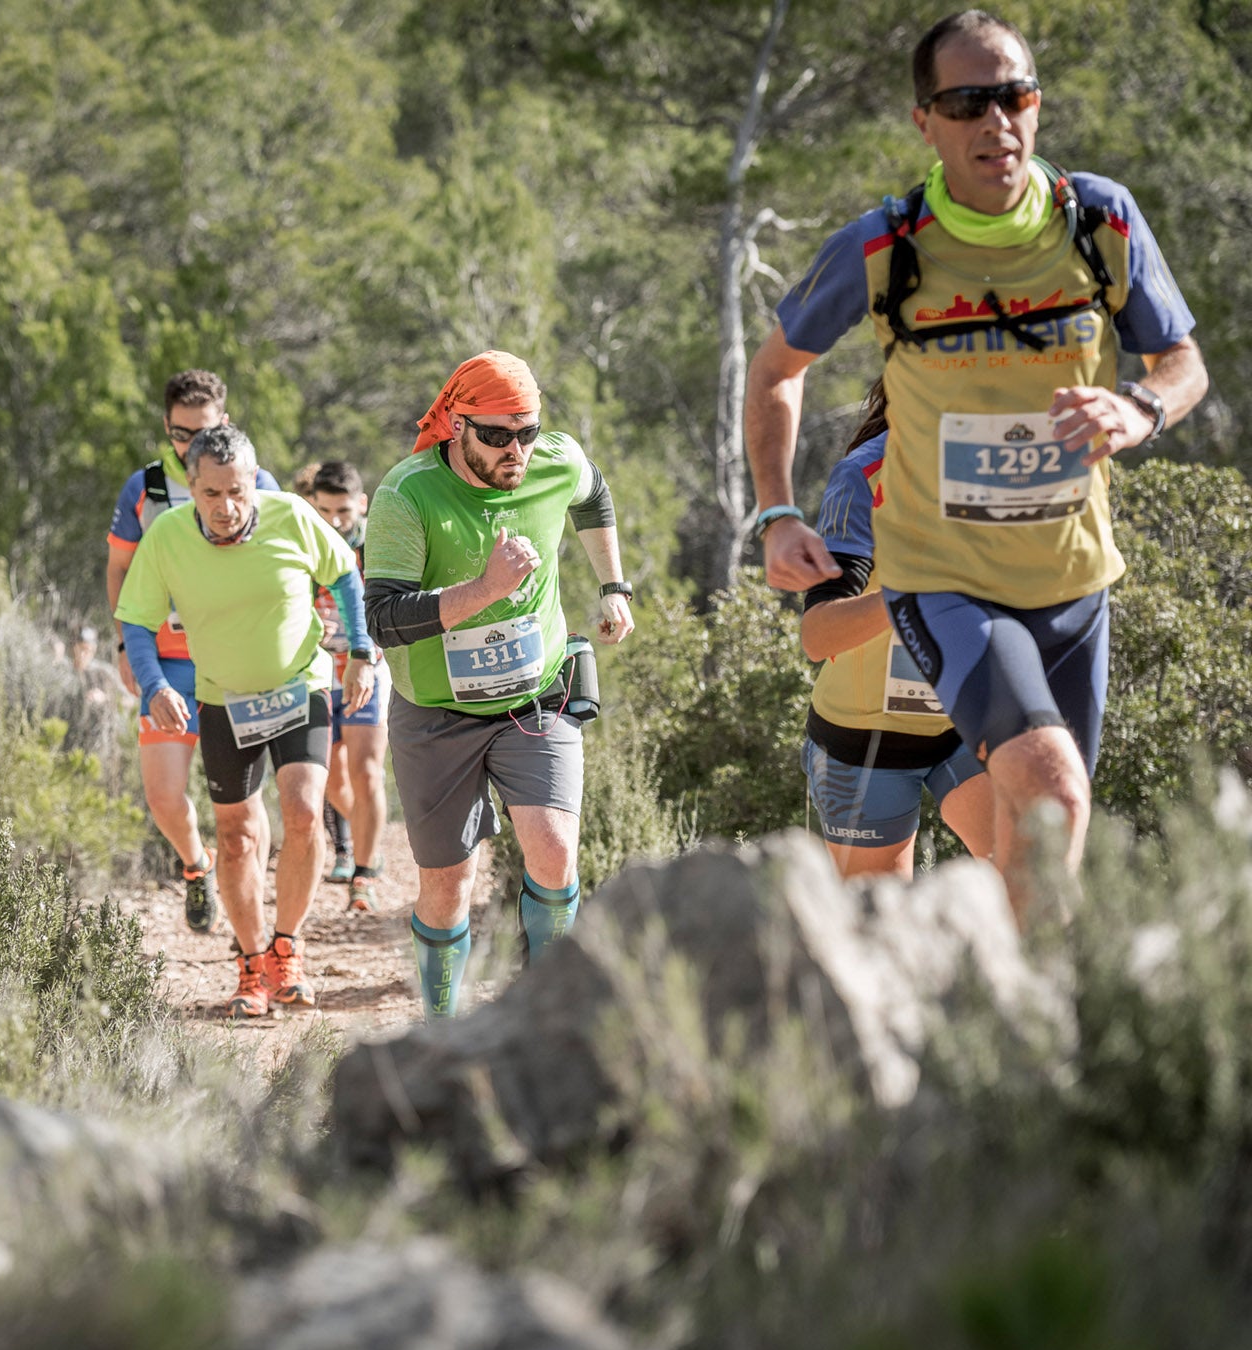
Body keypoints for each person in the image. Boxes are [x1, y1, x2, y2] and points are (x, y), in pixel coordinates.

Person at [745, 9, 1206, 914]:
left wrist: (1141, 406)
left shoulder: (1100, 220)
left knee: (1051, 839)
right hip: (944, 579)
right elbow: (775, 371)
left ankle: (1020, 1033)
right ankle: (1035, 1042)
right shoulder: (888, 244)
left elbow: (1182, 364)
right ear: (926, 120)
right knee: (1053, 798)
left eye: (1014, 96)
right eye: (966, 102)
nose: (996, 121)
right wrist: (776, 510)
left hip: (1074, 584)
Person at [364, 351, 634, 1019]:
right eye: (496, 434)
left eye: (528, 431)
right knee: (449, 885)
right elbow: (384, 620)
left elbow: (593, 491)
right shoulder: (407, 494)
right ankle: (442, 1028)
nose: (516, 449)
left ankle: (550, 1020)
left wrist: (614, 584)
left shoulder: (552, 462)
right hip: (436, 715)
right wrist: (485, 589)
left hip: (534, 698)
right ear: (457, 425)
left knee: (553, 849)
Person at [116, 425, 374, 1018]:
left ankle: (287, 947)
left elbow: (344, 575)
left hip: (299, 682)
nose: (227, 508)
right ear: (192, 487)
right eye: (211, 494)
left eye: (238, 491)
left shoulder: (290, 515)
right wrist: (154, 685)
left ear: (254, 484)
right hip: (223, 698)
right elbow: (135, 619)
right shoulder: (168, 537)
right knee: (236, 839)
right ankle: (252, 964)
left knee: (306, 813)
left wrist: (359, 651)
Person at [106, 370, 282, 933]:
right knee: (162, 794)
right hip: (168, 661)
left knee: (247, 810)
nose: (191, 446)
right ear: (166, 428)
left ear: (224, 424)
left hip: (238, 664)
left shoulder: (260, 482)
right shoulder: (146, 489)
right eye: (180, 434)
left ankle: (250, 922)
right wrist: (123, 647)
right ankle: (196, 865)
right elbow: (120, 568)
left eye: (203, 432)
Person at [802, 382, 995, 876]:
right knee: (879, 926)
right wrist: (910, 598)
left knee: (1032, 877)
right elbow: (819, 636)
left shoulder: (1009, 463)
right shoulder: (865, 473)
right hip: (861, 743)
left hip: (965, 724)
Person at [303, 460, 392, 914]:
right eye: (324, 511)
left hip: (367, 667)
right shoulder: (303, 540)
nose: (334, 521)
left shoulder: (378, 543)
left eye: (342, 511)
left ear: (361, 504)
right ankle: (363, 841)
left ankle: (365, 873)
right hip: (317, 672)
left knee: (368, 771)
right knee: (331, 779)